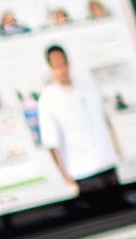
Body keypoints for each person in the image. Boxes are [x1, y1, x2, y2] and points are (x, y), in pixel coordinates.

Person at [35, 44, 123, 195]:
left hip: (107, 163)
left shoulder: (88, 85)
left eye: (63, 63)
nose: (61, 69)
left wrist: (117, 149)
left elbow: (105, 119)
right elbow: (51, 143)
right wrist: (66, 177)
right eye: (56, 65)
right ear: (50, 67)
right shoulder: (48, 99)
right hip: (82, 173)